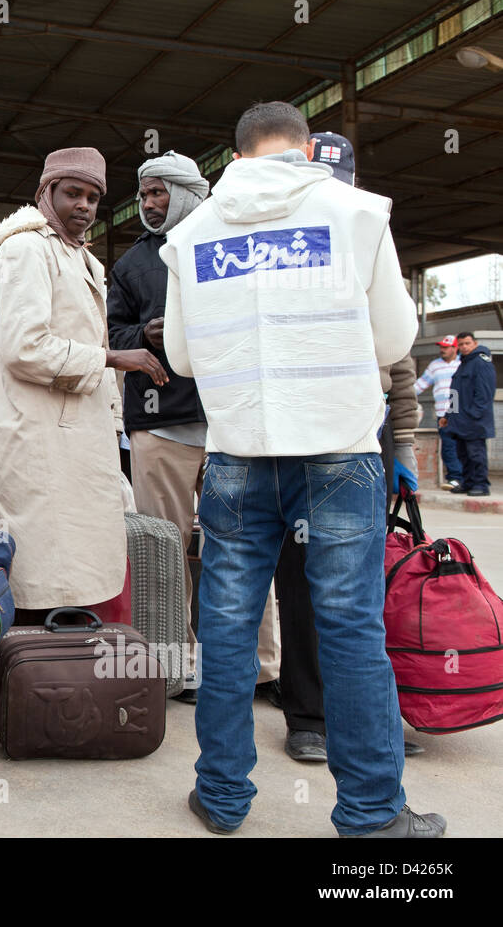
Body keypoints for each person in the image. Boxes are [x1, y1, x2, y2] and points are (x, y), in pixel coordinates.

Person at [162, 101, 443, 837]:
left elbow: (183, 358)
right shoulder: (354, 212)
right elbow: (393, 337)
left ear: (239, 151)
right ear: (305, 146)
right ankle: (373, 814)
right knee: (350, 628)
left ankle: (221, 798)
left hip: (236, 456)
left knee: (225, 628)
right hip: (338, 452)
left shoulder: (191, 234)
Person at [274, 131, 424, 762]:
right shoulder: (282, 243)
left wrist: (405, 454)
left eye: (342, 176)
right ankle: (307, 717)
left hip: (364, 441)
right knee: (306, 587)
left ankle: (368, 723)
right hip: (295, 443)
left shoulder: (368, 232)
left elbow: (400, 363)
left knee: (364, 592)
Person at [0, 147, 164, 627]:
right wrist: (110, 357)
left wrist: (112, 424)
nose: (83, 205)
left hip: (76, 436)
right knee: (40, 566)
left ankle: (66, 679)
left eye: (92, 197)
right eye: (72, 193)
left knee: (74, 566)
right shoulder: (26, 250)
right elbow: (24, 347)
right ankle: (26, 679)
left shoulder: (81, 258)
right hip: (37, 435)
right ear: (46, 194)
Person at [106, 151, 209, 697]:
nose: (147, 204)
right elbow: (108, 335)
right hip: (159, 426)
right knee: (164, 552)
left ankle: (262, 668)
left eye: (159, 193)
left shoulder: (225, 242)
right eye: (144, 195)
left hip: (232, 428)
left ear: (189, 191)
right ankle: (173, 666)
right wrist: (141, 336)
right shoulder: (132, 264)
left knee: (239, 552)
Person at [444, 331, 495, 497]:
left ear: (475, 343)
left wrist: (474, 415)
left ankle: (480, 485)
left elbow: (485, 393)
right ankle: (468, 483)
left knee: (476, 454)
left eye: (467, 343)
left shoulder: (481, 362)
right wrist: (448, 415)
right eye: (461, 344)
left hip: (474, 420)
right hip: (460, 420)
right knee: (463, 455)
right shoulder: (464, 363)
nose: (464, 347)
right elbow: (455, 394)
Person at [415, 335, 464, 490]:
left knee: (464, 447)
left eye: (446, 347)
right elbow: (420, 384)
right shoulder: (435, 365)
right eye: (441, 347)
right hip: (444, 413)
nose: (442, 350)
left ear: (455, 348)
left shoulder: (463, 363)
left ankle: (466, 478)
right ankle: (455, 478)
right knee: (448, 446)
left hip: (461, 413)